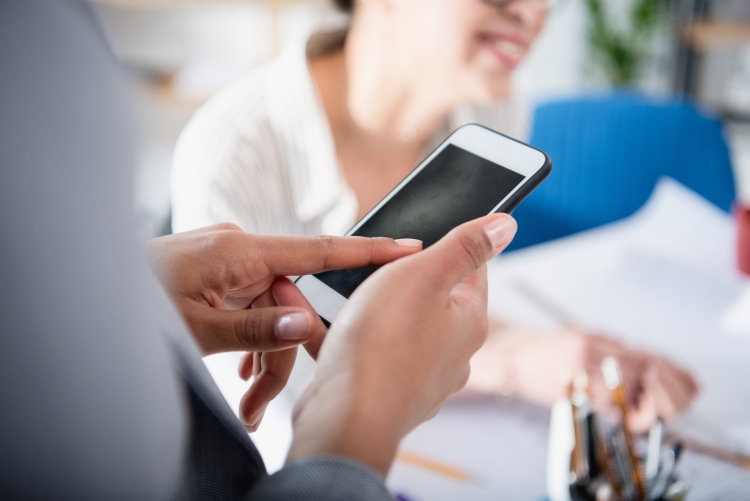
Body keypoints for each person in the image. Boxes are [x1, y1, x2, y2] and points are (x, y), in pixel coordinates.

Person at [0, 0, 517, 498]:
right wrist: (370, 412)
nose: (532, 12)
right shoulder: (231, 149)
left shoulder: (492, 101)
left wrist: (132, 291)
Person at [171, 0, 697, 432]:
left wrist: (559, 356)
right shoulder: (232, 151)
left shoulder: (493, 112)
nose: (533, 15)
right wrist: (509, 368)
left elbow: (436, 301)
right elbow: (259, 404)